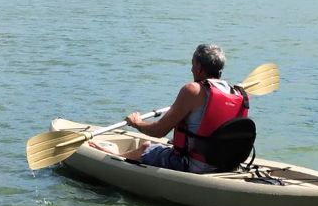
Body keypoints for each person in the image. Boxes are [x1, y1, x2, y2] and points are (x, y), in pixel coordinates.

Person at [91, 44, 249, 173]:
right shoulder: (237, 93)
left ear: (199, 68)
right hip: (226, 164)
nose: (191, 69)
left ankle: (113, 156)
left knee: (146, 147)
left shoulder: (193, 90)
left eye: (193, 65)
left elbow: (158, 131)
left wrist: (136, 122)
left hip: (194, 165)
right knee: (169, 143)